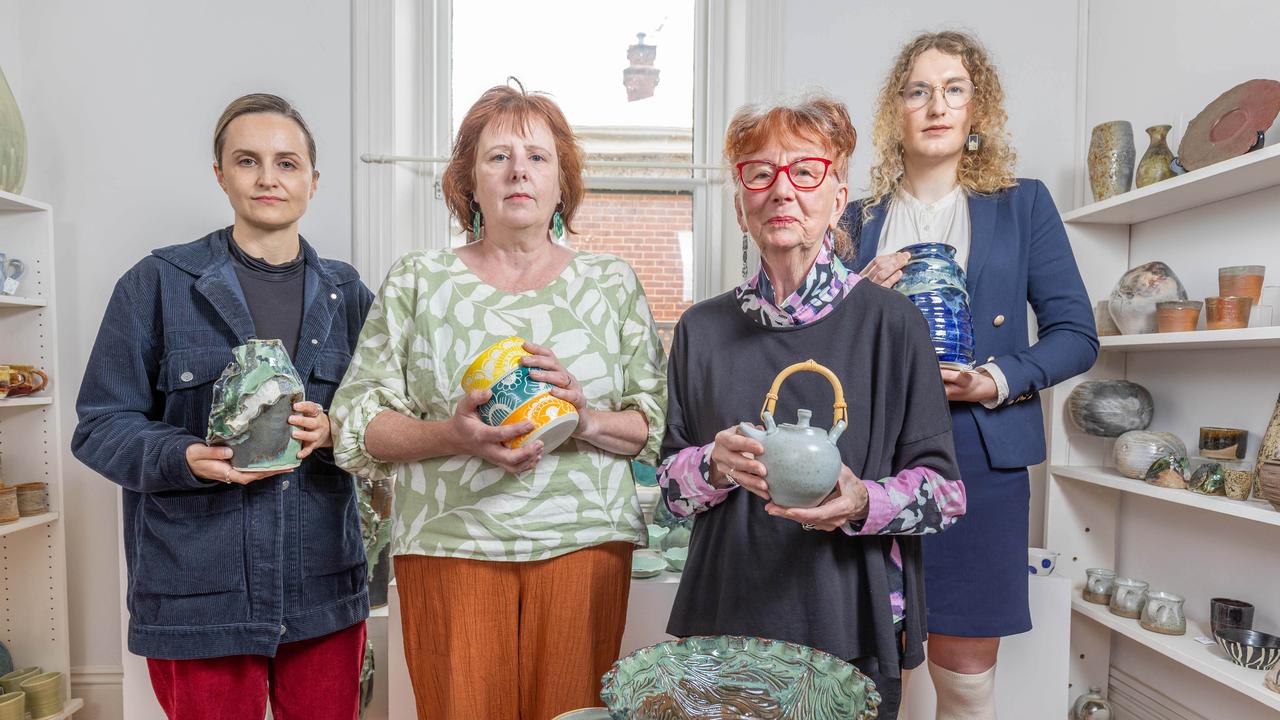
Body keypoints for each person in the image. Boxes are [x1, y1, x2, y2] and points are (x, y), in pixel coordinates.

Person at [329, 82, 666, 719]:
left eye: (538, 157)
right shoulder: (418, 280)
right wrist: (450, 437)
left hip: (585, 547)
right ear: (468, 183)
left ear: (562, 183)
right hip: (450, 544)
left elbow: (654, 424)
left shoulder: (611, 282)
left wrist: (585, 417)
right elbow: (356, 424)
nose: (519, 171)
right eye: (497, 156)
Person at [657, 93, 967, 720]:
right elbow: (669, 494)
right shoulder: (700, 329)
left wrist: (863, 503)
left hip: (850, 620)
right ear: (740, 197)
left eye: (805, 170)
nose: (781, 190)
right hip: (726, 621)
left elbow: (947, 495)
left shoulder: (892, 324)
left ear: (837, 195)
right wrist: (711, 467)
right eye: (759, 171)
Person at [72, 93, 374, 719]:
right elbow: (100, 424)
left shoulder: (348, 296)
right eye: (248, 160)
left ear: (313, 181)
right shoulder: (155, 284)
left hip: (322, 585)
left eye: (287, 163)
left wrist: (337, 427)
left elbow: (385, 413)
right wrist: (183, 455)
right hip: (197, 593)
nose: (268, 178)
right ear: (220, 174)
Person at [846, 31, 1098, 720]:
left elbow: (1078, 336)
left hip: (981, 459)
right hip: (875, 459)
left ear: (975, 109)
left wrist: (993, 379)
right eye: (918, 90)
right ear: (895, 110)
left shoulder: (1024, 206)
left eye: (954, 89)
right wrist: (854, 292)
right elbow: (822, 351)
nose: (936, 104)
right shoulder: (855, 221)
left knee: (965, 674)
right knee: (866, 667)